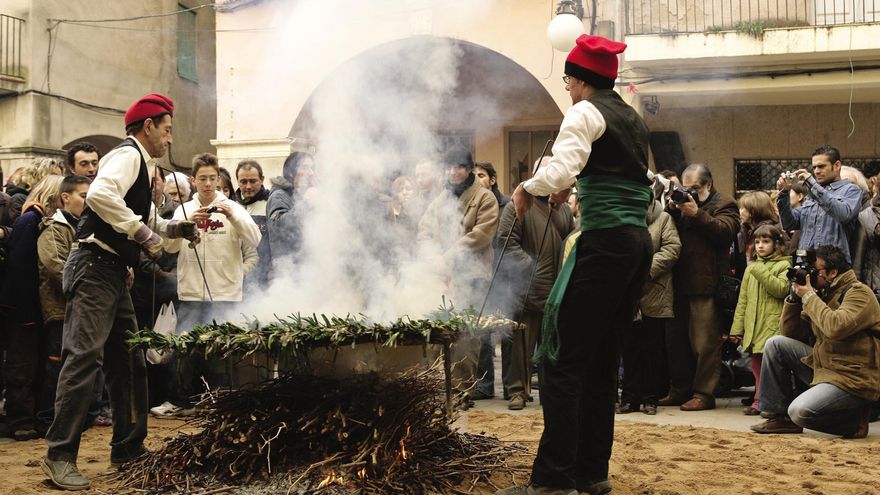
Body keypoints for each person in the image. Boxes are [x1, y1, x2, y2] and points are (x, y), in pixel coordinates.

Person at [496, 34, 654, 495]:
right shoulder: (630, 115)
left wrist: (528, 187)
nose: (566, 87)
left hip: (604, 245)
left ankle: (554, 479)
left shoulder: (585, 112)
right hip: (634, 244)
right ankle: (591, 473)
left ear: (582, 79)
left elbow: (561, 170)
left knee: (563, 362)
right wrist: (576, 186)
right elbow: (631, 178)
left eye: (567, 79)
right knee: (602, 361)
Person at [42, 94, 199, 491]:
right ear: (148, 127)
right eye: (166, 129)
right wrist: (143, 232)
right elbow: (100, 196)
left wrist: (173, 229)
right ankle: (59, 455)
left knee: (129, 361)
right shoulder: (127, 156)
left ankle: (128, 447)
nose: (169, 138)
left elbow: (141, 220)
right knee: (83, 360)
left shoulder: (144, 168)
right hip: (93, 268)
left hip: (113, 273)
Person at [750, 245, 880, 438]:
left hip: (852, 378)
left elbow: (835, 327)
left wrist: (809, 296)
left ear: (833, 272)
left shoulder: (859, 293)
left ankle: (854, 423)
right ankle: (781, 418)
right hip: (825, 366)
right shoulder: (824, 293)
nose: (808, 275)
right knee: (775, 344)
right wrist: (794, 298)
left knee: (800, 412)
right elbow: (791, 332)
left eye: (814, 271)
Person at [418, 145, 499, 405]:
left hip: (472, 274)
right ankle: (446, 385)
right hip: (444, 275)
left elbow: (481, 234)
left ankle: (465, 390)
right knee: (444, 332)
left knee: (467, 335)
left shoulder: (484, 197)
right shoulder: (442, 198)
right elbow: (425, 229)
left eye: (459, 167)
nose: (454, 172)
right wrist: (430, 254)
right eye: (450, 167)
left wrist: (449, 254)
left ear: (469, 169)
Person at [494, 157, 575, 411]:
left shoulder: (561, 208)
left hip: (556, 288)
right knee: (521, 345)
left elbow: (569, 240)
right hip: (525, 287)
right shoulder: (517, 204)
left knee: (551, 345)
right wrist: (530, 267)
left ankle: (550, 392)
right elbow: (506, 241)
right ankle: (518, 390)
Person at [661, 163, 740, 412]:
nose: (691, 192)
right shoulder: (682, 205)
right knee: (676, 343)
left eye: (696, 187)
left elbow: (726, 232)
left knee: (705, 344)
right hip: (678, 283)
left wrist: (697, 214)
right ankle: (679, 390)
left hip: (707, 284)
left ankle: (704, 393)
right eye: (687, 188)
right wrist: (673, 210)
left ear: (709, 184)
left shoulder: (724, 203)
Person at [1, 175, 64, 440]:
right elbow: (21, 268)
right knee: (21, 364)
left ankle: (30, 417)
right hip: (20, 307)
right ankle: (20, 421)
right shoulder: (30, 220)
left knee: (32, 363)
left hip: (29, 306)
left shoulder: (39, 220)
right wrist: (27, 312)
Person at [617, 199, 680, 416]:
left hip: (655, 291)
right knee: (629, 348)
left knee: (653, 349)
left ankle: (650, 398)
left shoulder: (663, 219)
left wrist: (646, 269)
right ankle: (629, 398)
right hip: (628, 294)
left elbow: (673, 248)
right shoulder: (622, 216)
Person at [727, 225, 791, 415]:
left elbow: (781, 289)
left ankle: (768, 403)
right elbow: (743, 301)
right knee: (756, 366)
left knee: (770, 368)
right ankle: (759, 401)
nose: (760, 246)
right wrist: (737, 328)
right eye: (757, 242)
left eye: (765, 241)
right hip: (754, 326)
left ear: (777, 244)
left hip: (772, 325)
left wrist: (759, 270)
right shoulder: (751, 269)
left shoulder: (784, 265)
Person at [776, 145, 862, 262]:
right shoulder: (813, 193)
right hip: (805, 264)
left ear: (837, 165)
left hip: (832, 268)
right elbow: (789, 224)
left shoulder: (851, 190)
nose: (816, 171)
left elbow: (843, 215)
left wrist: (812, 185)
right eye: (814, 167)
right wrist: (784, 193)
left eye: (821, 166)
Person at [267, 151, 315, 265]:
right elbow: (280, 226)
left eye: (312, 168)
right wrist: (306, 204)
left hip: (307, 268)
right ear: (291, 172)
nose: (311, 173)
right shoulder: (279, 195)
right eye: (305, 168)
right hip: (289, 270)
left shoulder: (302, 194)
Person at [234, 160, 271, 288]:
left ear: (262, 179)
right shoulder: (232, 206)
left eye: (253, 181)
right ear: (237, 181)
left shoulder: (270, 204)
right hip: (236, 278)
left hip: (264, 277)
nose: (248, 186)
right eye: (243, 182)